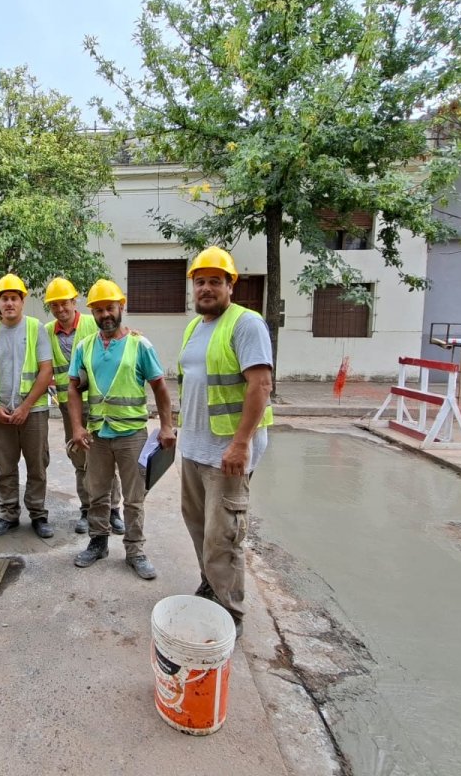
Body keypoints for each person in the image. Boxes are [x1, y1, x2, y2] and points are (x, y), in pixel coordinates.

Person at [177, 248, 273, 638]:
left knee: (224, 536)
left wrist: (240, 444)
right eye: (200, 281)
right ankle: (210, 584)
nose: (206, 288)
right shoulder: (194, 327)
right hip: (195, 447)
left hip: (227, 453)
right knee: (199, 528)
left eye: (215, 280)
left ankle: (229, 615)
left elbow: (260, 385)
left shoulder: (246, 324)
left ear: (231, 285)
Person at [67, 279, 176, 579]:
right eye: (99, 310)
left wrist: (167, 426)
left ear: (121, 307)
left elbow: (160, 388)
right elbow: (73, 389)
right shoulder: (84, 347)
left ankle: (135, 551)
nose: (105, 315)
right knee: (97, 492)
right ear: (92, 312)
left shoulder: (140, 345)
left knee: (134, 497)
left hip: (132, 436)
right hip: (97, 435)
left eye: (110, 308)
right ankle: (98, 543)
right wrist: (77, 427)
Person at [44, 276, 124, 536]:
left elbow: (121, 338)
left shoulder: (93, 322)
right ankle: (87, 509)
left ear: (74, 301)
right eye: (54, 305)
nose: (60, 309)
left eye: (64, 303)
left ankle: (113, 510)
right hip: (70, 407)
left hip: (100, 404)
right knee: (80, 458)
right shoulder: (47, 332)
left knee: (106, 458)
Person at [0, 274, 55, 538]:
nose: (9, 303)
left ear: (22, 301)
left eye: (14, 298)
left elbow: (46, 371)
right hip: (0, 413)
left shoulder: (37, 328)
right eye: (4, 299)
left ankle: (38, 514)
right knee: (5, 466)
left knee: (37, 465)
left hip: (33, 412)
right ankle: (8, 514)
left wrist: (25, 406)